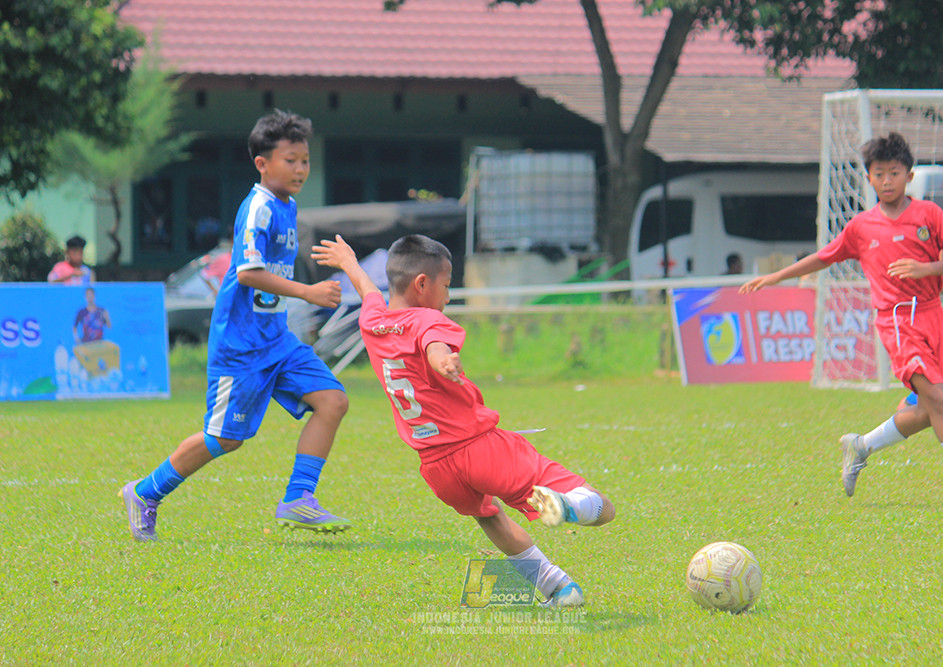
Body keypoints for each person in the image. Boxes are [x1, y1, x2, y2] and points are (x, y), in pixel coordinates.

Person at [311, 233, 615, 607]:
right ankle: (571, 506)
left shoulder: (372, 321)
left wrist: (348, 262)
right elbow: (433, 344)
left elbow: (367, 289)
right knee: (603, 509)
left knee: (492, 519)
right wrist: (442, 361)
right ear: (423, 284)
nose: (449, 297)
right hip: (479, 449)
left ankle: (558, 589)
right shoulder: (428, 320)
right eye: (447, 285)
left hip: (437, 467)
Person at [119, 110, 352, 541]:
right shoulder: (259, 208)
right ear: (262, 163)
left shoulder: (288, 205)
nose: (300, 168)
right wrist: (309, 291)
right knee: (224, 439)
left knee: (333, 401)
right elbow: (247, 273)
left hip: (276, 339)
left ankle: (298, 498)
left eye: (304, 160)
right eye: (290, 160)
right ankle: (145, 492)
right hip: (241, 346)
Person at [740, 132, 943, 508]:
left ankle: (862, 445)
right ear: (870, 178)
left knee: (930, 410)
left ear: (909, 176)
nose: (887, 180)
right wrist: (776, 276)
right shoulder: (862, 227)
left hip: (932, 317)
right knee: (941, 399)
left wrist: (926, 268)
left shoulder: (928, 214)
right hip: (897, 322)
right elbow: (824, 256)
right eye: (879, 174)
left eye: (894, 173)